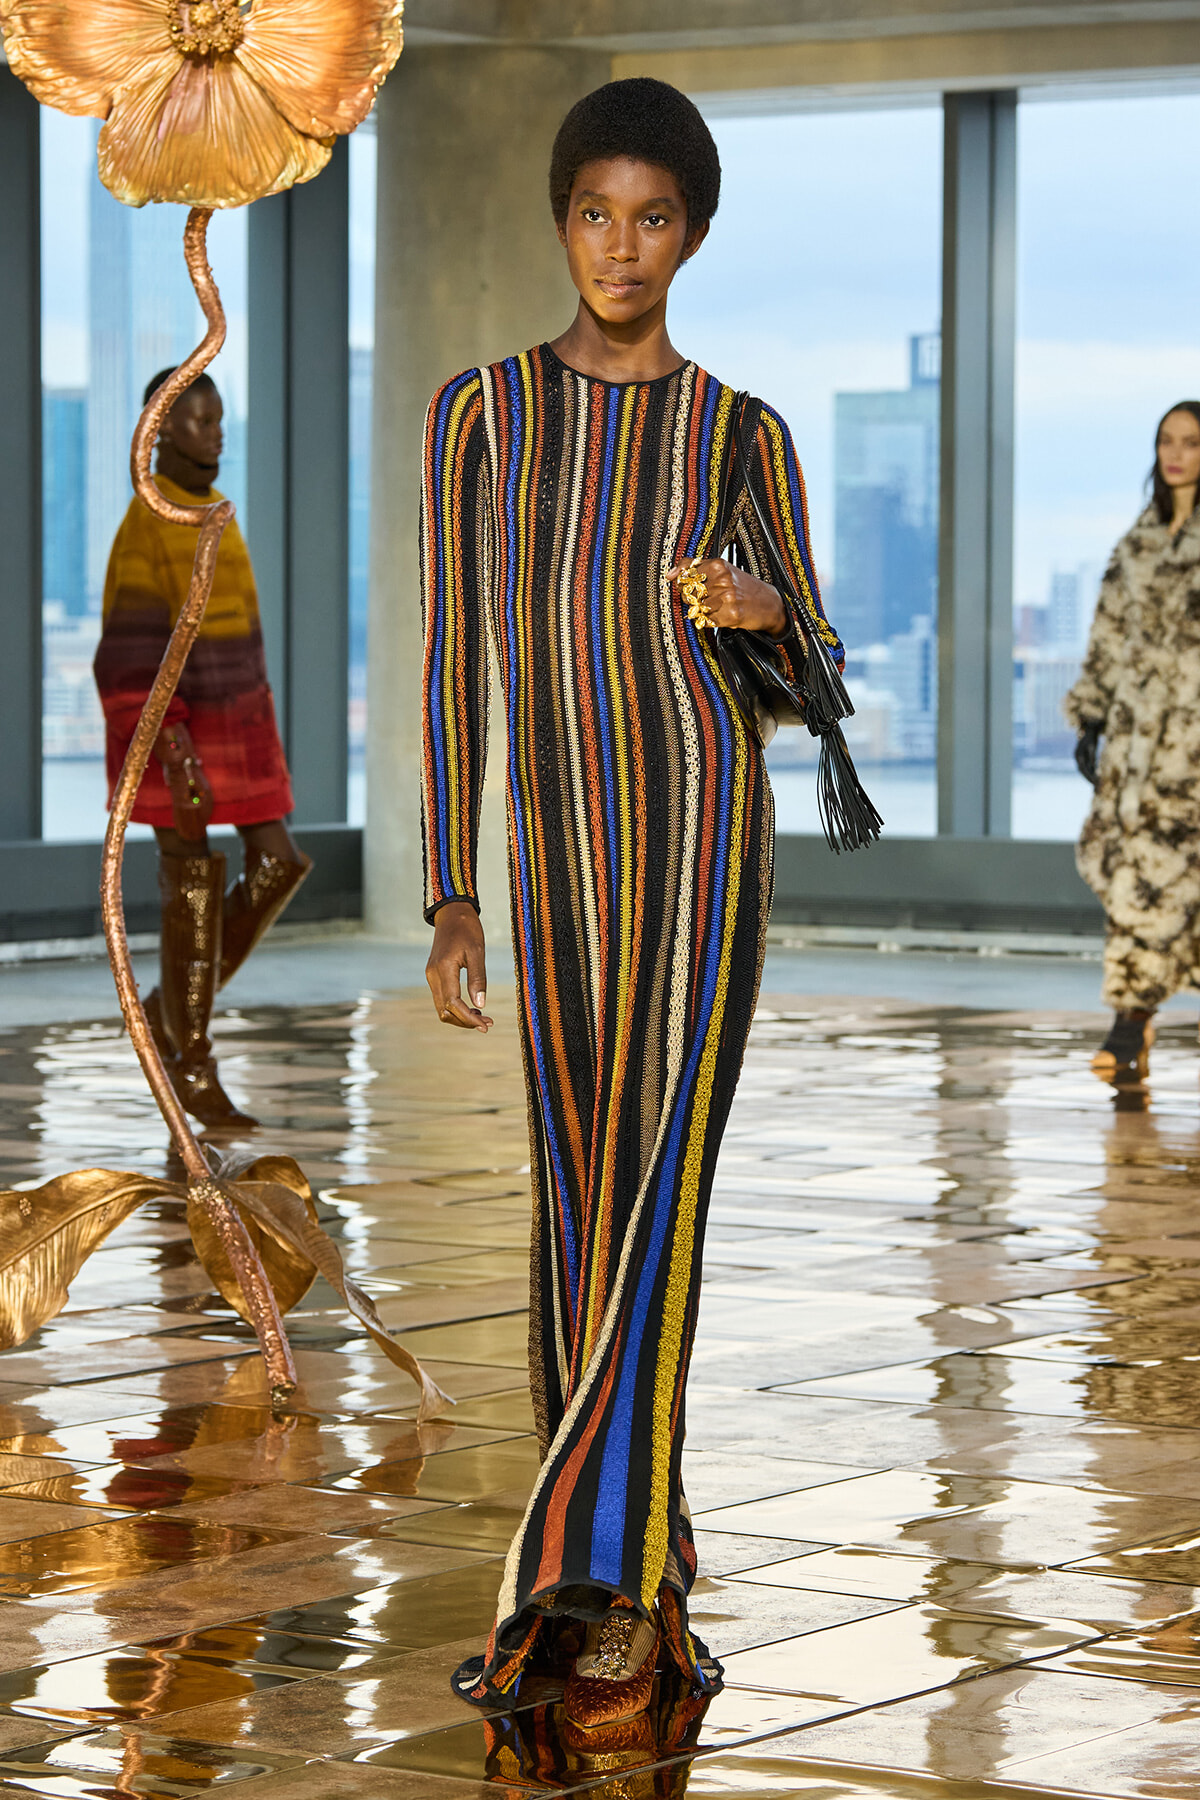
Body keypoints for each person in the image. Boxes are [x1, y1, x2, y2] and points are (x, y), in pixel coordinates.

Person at [420, 78, 845, 1729]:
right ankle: (634, 1535)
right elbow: (460, 656)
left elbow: (812, 684)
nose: (622, 246)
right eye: (596, 213)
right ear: (557, 220)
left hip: (703, 855)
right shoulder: (485, 413)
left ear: (696, 234)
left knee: (658, 1188)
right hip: (559, 858)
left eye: (654, 217)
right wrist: (458, 892)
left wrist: (754, 606)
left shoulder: (746, 434)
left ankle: (589, 1580)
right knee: (577, 1199)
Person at [94, 368, 311, 1128]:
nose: (215, 432)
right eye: (198, 420)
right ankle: (191, 1067)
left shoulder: (214, 514)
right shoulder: (150, 522)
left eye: (219, 418)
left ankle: (165, 1010)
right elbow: (125, 655)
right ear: (160, 432)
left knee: (279, 861)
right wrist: (174, 747)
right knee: (188, 887)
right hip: (172, 741)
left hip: (241, 737)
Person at [1067, 400, 1200, 1082]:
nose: (1176, 454)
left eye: (1191, 442)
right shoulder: (1138, 540)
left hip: (1193, 746)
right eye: (1166, 441)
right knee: (1138, 880)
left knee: (1174, 882)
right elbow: (1109, 635)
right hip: (1139, 752)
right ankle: (1130, 1024)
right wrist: (1090, 716)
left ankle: (1128, 1028)